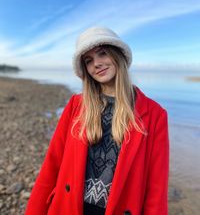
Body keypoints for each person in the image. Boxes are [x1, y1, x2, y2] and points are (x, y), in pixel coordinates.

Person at [24, 27, 169, 215]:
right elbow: (52, 165)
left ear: (118, 56)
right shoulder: (76, 105)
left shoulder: (155, 114)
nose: (97, 64)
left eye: (102, 54)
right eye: (88, 60)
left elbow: (156, 187)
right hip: (69, 208)